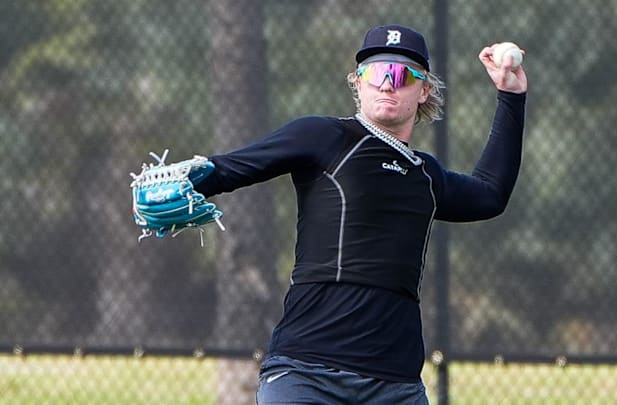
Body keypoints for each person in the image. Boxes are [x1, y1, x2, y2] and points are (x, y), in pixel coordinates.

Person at [193, 24, 527, 404]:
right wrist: (188, 180)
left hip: (394, 385)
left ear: (424, 90)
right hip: (306, 373)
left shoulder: (426, 175)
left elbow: (490, 194)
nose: (387, 83)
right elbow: (228, 168)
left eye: (400, 74)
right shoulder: (322, 137)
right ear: (358, 83)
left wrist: (511, 95)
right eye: (375, 72)